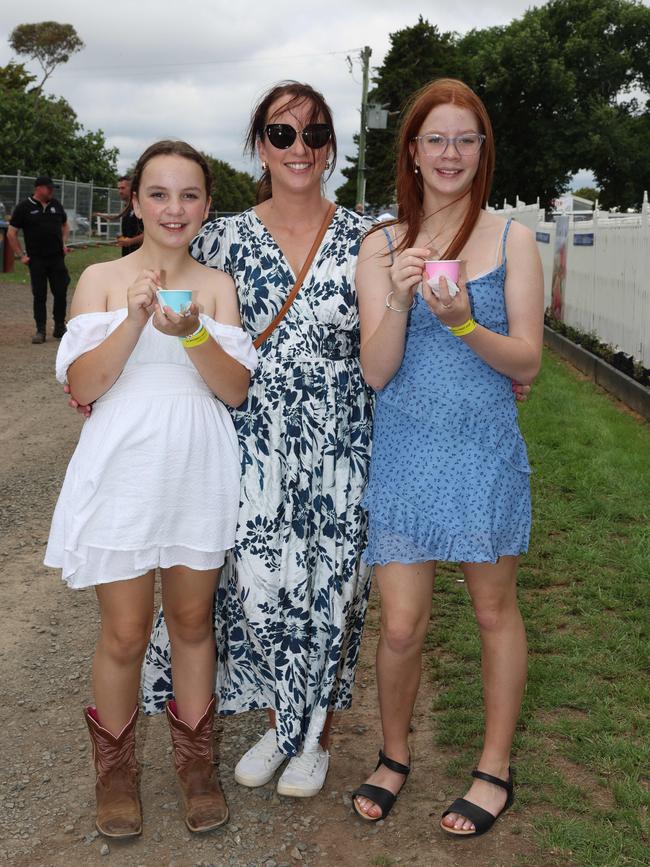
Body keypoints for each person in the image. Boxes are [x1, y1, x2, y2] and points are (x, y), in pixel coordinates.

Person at [142, 81, 374, 799]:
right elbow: (166, 308)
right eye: (281, 134)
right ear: (260, 146)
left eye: (314, 134)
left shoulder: (369, 235)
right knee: (263, 586)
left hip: (342, 435)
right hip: (251, 434)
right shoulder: (223, 236)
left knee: (333, 586)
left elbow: (402, 331)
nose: (299, 149)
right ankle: (282, 718)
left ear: (331, 145)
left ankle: (316, 734)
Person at [45, 140, 257, 838]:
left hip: (197, 465)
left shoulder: (217, 285)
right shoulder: (101, 279)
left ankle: (196, 767)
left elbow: (234, 390)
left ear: (206, 205)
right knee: (127, 628)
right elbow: (84, 385)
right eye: (159, 194)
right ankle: (115, 773)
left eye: (189, 195)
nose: (174, 208)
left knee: (194, 622)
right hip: (125, 470)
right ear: (134, 200)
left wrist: (194, 332)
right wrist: (136, 319)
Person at [351, 78, 544, 836]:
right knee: (400, 625)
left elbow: (526, 363)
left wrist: (464, 322)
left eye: (466, 138)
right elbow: (375, 370)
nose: (451, 152)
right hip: (406, 450)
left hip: (484, 449)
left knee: (495, 609)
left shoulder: (513, 238)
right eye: (436, 138)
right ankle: (393, 754)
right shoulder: (381, 243)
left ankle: (494, 768)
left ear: (483, 149)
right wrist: (398, 299)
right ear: (412, 150)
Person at [8, 175, 71, 343]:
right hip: (36, 260)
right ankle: (40, 330)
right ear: (38, 188)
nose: (51, 191)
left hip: (57, 258)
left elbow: (65, 225)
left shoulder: (55, 205)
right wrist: (21, 255)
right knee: (39, 295)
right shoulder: (24, 207)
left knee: (60, 292)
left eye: (52, 189)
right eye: (48, 188)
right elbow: (11, 232)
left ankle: (59, 327)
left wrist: (64, 243)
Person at [94, 175, 144, 256]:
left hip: (140, 256)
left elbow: (150, 234)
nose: (120, 191)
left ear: (132, 188)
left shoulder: (141, 206)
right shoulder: (127, 207)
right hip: (127, 254)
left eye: (123, 188)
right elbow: (115, 217)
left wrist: (131, 241)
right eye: (119, 188)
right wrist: (101, 215)